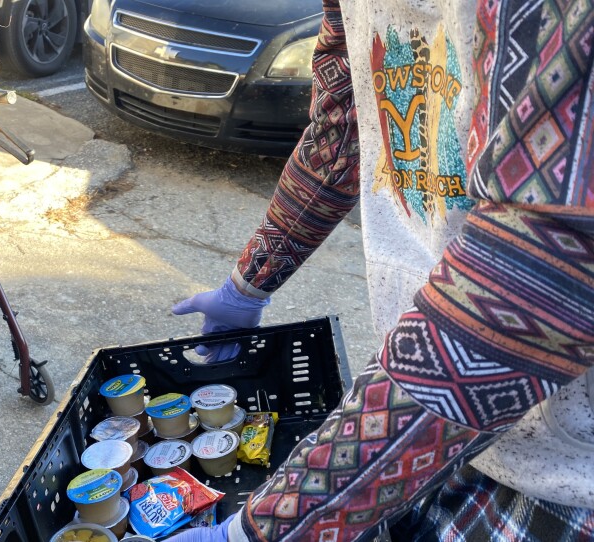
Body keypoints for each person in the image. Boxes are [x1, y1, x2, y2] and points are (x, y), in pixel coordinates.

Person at [169, 0, 594, 539]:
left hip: (561, 478)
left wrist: (261, 530)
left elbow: (545, 267)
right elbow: (341, 132)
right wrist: (249, 285)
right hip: (411, 408)